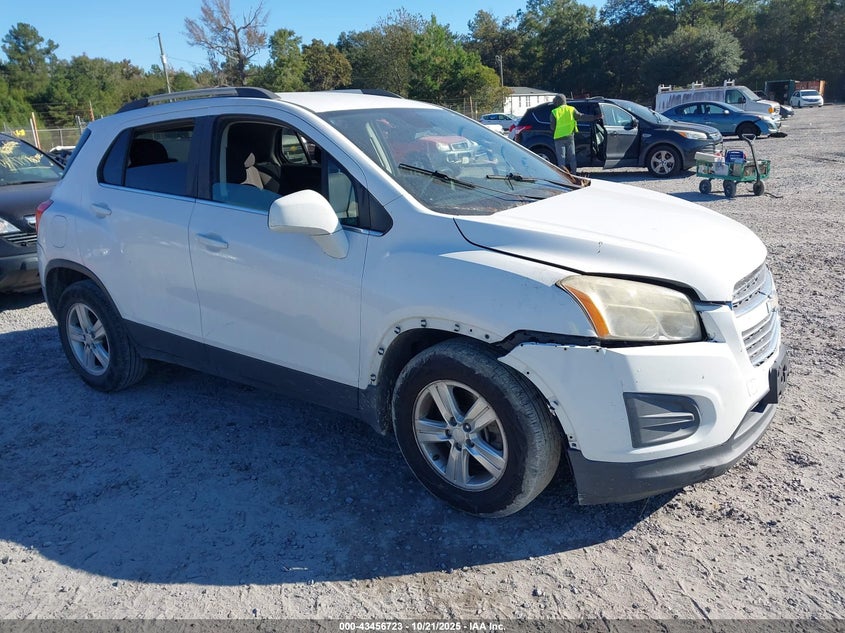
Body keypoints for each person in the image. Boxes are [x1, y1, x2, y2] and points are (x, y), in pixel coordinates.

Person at [549, 94, 598, 175]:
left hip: (558, 138)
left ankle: (563, 177)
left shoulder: (554, 112)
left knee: (561, 159)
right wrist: (594, 117)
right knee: (572, 157)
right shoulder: (571, 109)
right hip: (570, 137)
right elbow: (581, 116)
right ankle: (574, 174)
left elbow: (552, 127)